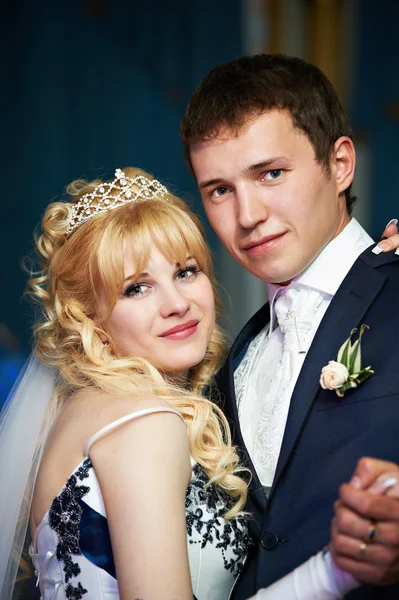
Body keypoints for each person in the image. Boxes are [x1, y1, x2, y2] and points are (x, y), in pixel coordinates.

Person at [0, 167, 398, 600]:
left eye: (186, 271)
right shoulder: (143, 421)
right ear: (89, 315)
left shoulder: (82, 409)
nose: (177, 304)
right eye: (136, 288)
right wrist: (334, 573)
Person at [180, 52, 399, 598]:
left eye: (271, 173)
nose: (247, 214)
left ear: (340, 164)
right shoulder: (224, 365)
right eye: (219, 190)